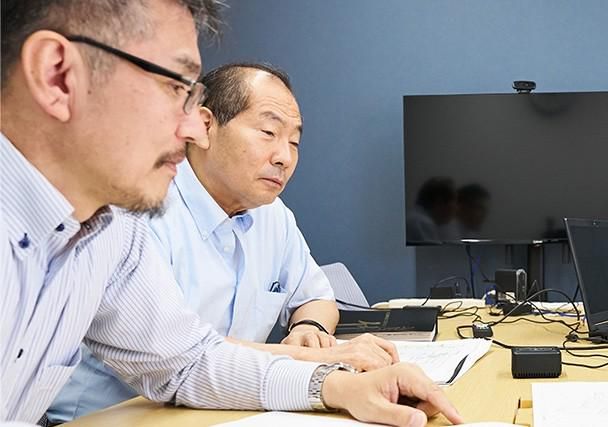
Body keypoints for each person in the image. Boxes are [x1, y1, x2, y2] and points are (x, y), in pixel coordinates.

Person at [0, 1, 463, 426]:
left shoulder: (108, 230)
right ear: (58, 76)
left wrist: (338, 387)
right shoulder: (135, 215)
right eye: (174, 87)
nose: (190, 127)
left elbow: (187, 362)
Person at [49, 63, 401, 422]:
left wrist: (308, 330)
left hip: (228, 404)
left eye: (294, 142)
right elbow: (182, 355)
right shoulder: (140, 209)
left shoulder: (272, 214)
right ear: (205, 126)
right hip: (118, 415)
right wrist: (321, 362)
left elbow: (314, 296)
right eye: (268, 132)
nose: (284, 157)